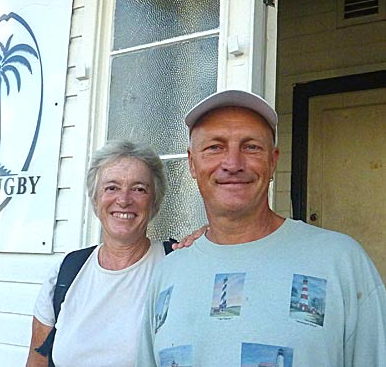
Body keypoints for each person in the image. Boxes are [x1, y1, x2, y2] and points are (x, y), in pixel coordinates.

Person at [137, 89, 386, 366]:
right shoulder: (168, 272)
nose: (232, 164)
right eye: (215, 147)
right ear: (193, 164)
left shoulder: (341, 261)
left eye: (251, 147)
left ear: (273, 161)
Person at [26, 140, 172, 366]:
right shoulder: (67, 272)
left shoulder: (175, 266)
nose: (124, 200)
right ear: (95, 200)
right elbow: (37, 361)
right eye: (111, 187)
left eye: (139, 189)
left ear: (154, 202)